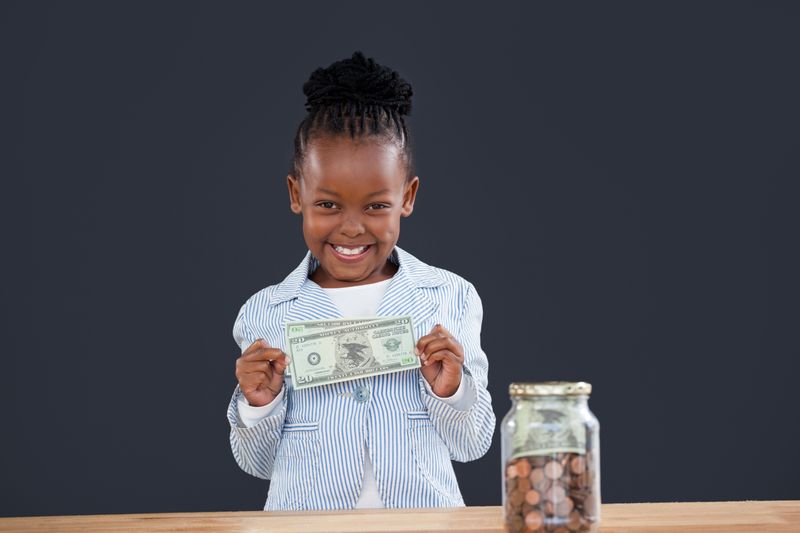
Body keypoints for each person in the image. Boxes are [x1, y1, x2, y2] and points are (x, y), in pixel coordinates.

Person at [226, 51, 495, 511]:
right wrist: (258, 404)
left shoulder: (448, 296)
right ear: (297, 195)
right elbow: (257, 463)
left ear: (406, 197)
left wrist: (450, 389)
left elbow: (472, 445)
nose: (352, 228)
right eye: (328, 205)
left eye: (375, 206)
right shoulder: (267, 312)